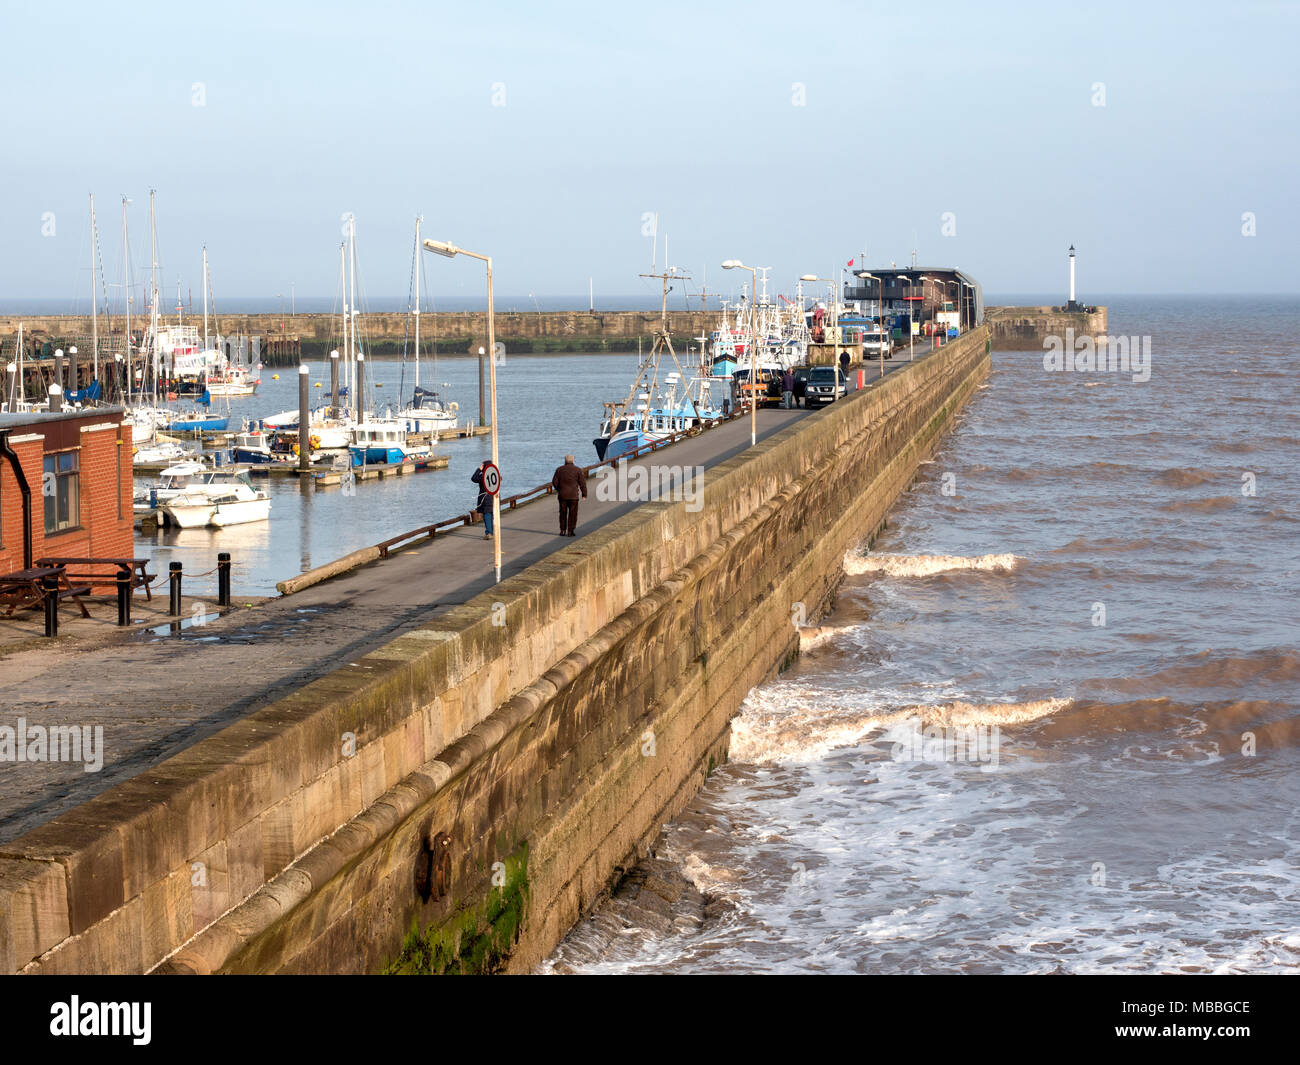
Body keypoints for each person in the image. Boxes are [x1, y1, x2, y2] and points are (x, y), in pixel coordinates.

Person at [551, 453, 588, 536]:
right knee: (573, 514)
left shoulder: (559, 470)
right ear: (573, 460)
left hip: (562, 495)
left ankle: (563, 530)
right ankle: (570, 531)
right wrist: (584, 494)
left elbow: (554, 482)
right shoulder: (577, 470)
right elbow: (582, 483)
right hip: (573, 495)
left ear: (565, 460)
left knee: (563, 513)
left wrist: (559, 489)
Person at [471, 460, 494, 539]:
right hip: (493, 497)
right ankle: (491, 531)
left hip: (485, 498)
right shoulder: (494, 475)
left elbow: (473, 478)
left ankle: (489, 533)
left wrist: (479, 469)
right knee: (490, 514)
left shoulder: (483, 476)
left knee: (487, 514)